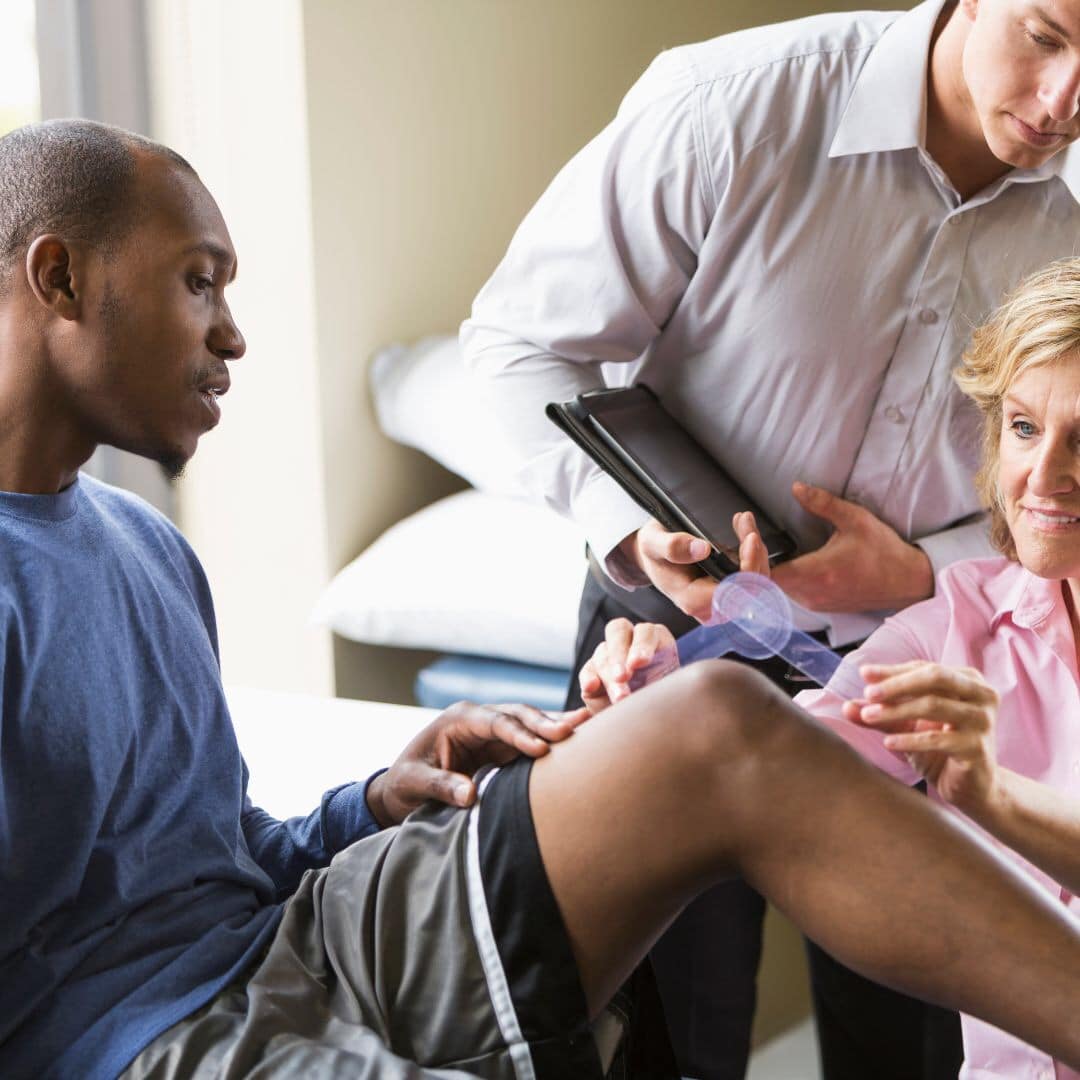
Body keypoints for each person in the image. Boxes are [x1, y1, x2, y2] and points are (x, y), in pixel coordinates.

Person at [4, 120, 1080, 1080]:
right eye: (200, 282)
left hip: (301, 936)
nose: (232, 334)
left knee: (714, 719)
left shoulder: (144, 548)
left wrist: (374, 800)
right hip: (142, 1044)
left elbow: (216, 857)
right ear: (58, 278)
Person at [460, 0, 1080, 1074]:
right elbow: (517, 345)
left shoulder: (1069, 227)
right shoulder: (728, 110)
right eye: (1047, 35)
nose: (1067, 103)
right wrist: (635, 536)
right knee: (659, 1041)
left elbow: (1042, 497)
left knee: (922, 1046)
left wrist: (920, 570)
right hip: (676, 627)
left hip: (929, 653)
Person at [584, 256, 1080, 1078]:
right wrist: (658, 703)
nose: (1044, 475)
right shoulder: (961, 618)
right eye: (1025, 428)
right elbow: (783, 761)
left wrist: (993, 797)